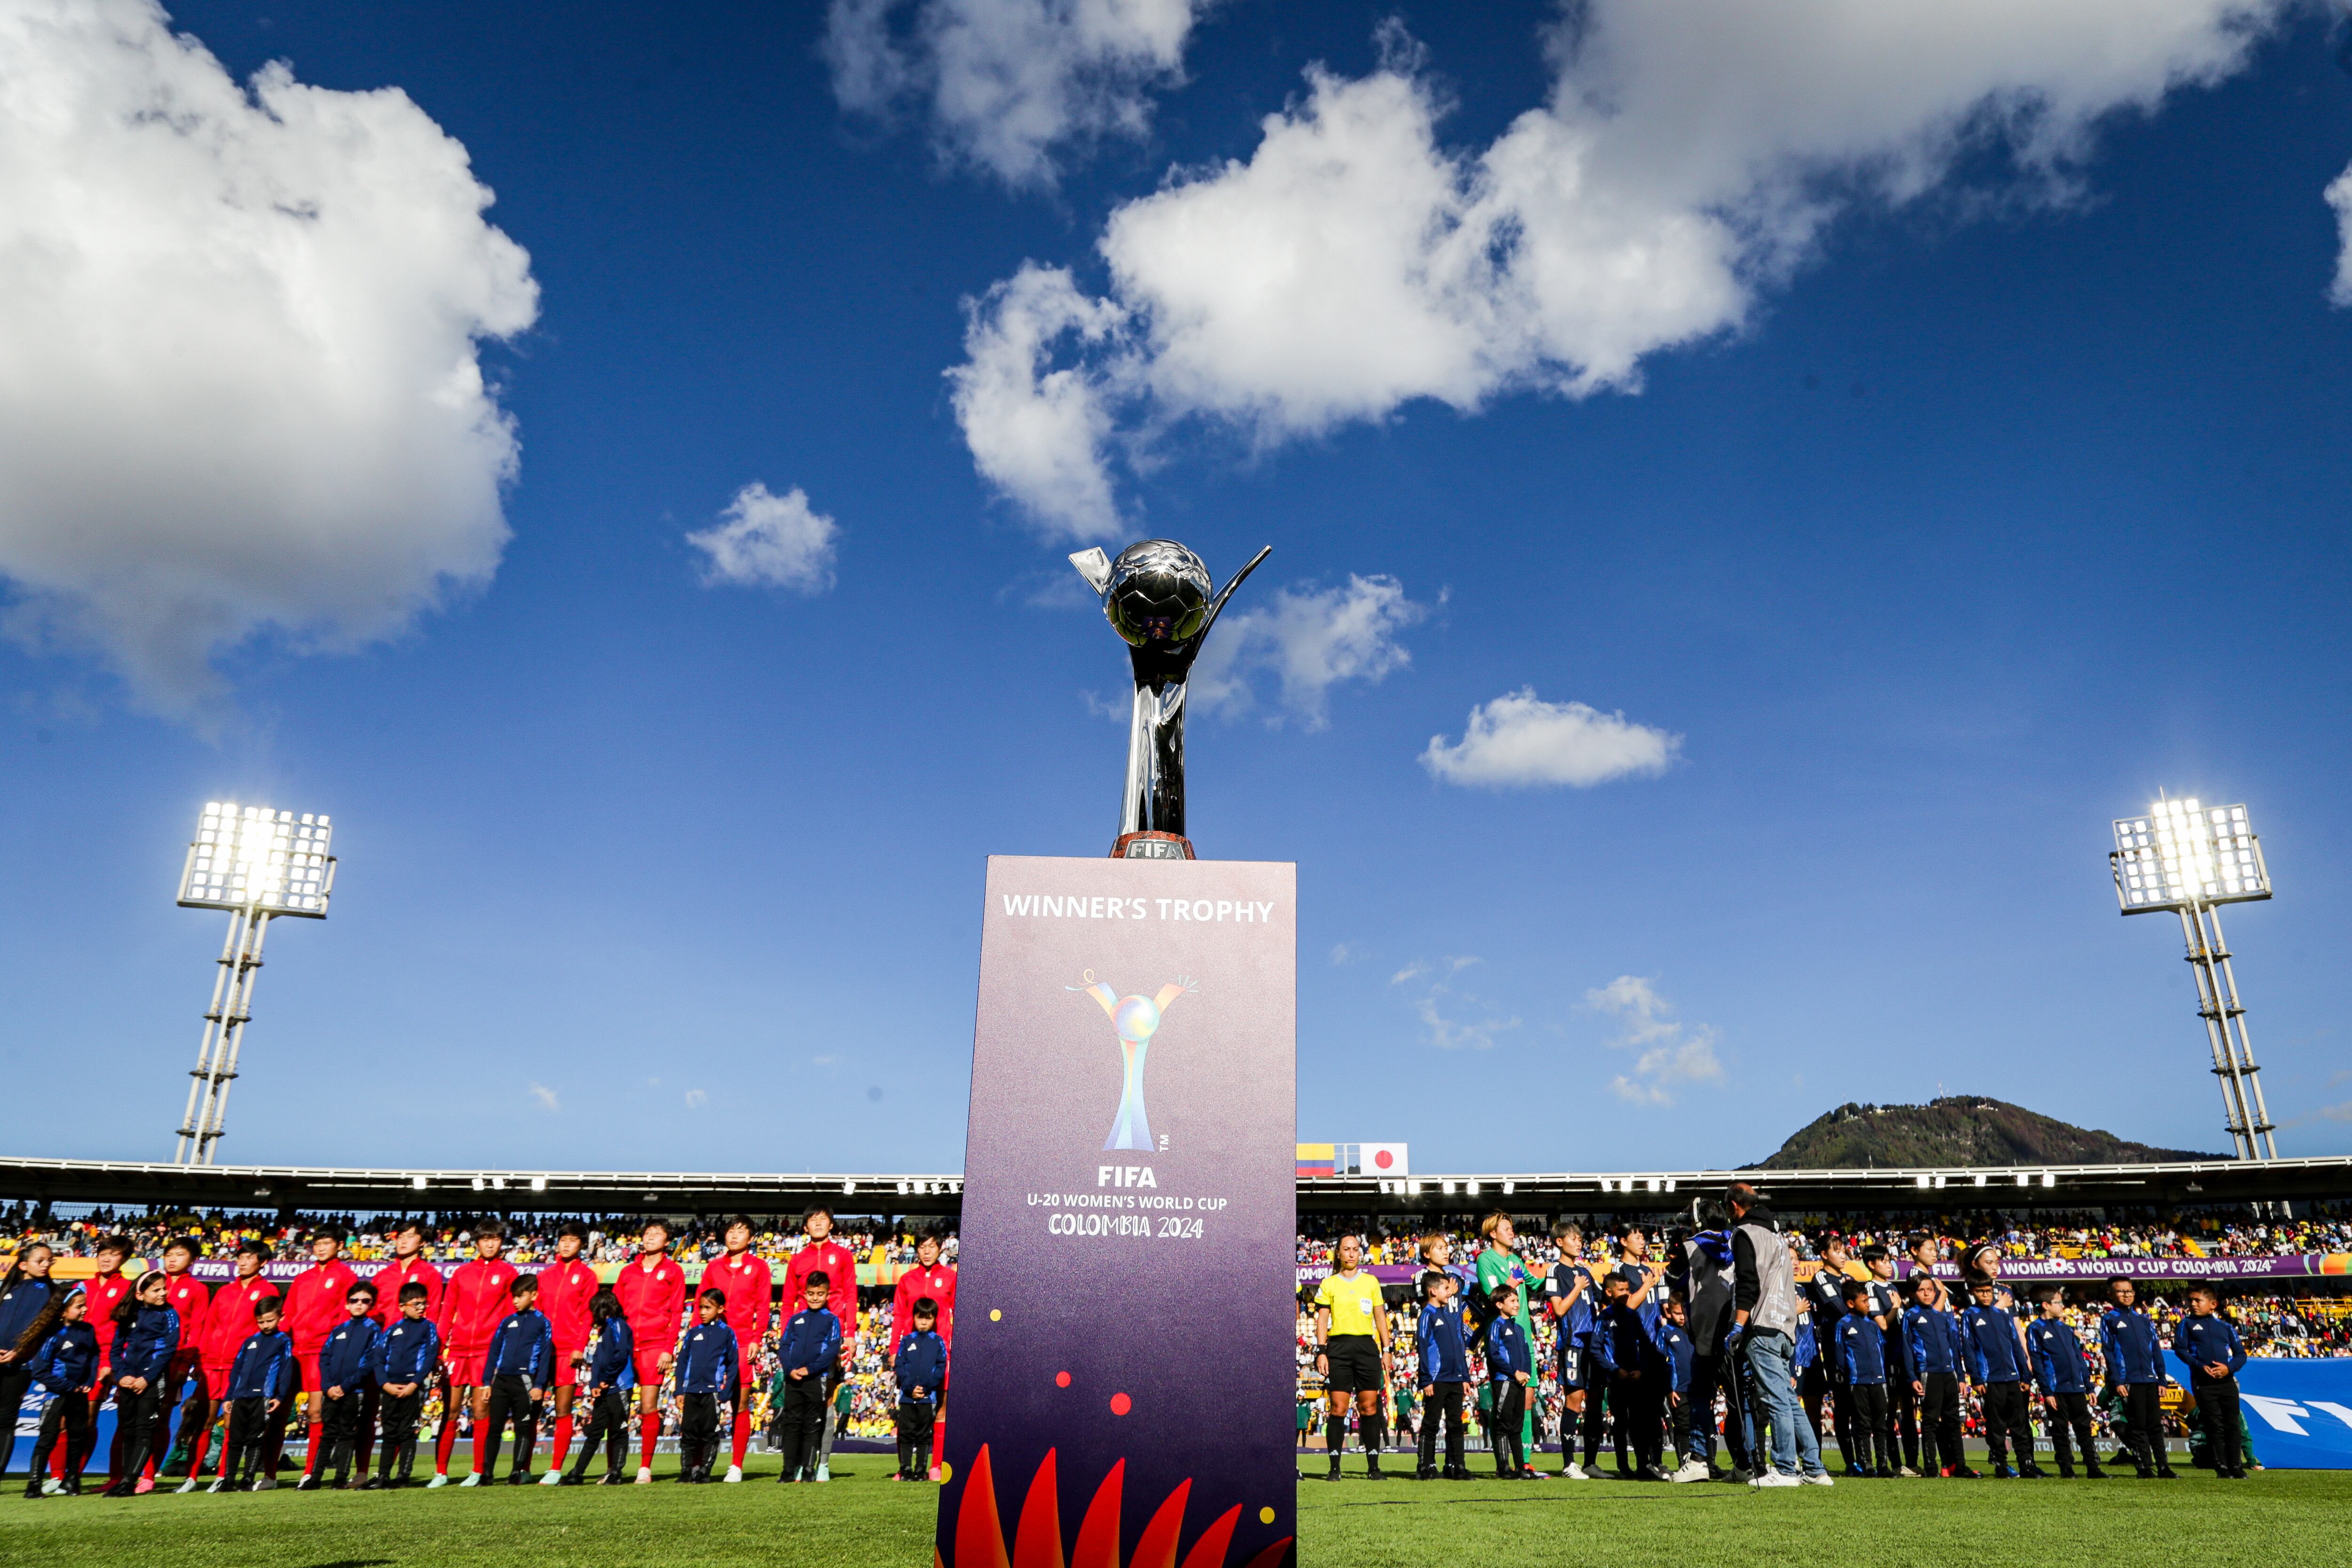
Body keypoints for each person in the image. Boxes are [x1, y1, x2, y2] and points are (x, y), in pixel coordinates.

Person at [1727, 1183, 1830, 1488]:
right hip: (1786, 1327)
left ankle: (1785, 1468)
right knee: (1787, 1399)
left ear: (1734, 1207)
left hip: (1762, 1327)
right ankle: (1814, 1467)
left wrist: (1737, 1325)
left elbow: (1748, 1283)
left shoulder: (1744, 1233)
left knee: (1776, 1400)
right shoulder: (1777, 1238)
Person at [182, 1239, 276, 1491]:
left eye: (249, 1258)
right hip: (212, 1363)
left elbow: (266, 1332)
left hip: (241, 1368)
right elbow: (209, 1326)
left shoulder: (269, 1291)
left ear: (262, 1263)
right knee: (204, 1421)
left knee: (231, 1425)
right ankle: (191, 1477)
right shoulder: (224, 1292)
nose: (243, 1262)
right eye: (240, 1257)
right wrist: (199, 1359)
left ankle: (224, 1476)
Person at [431, 1220, 519, 1487]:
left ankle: (478, 1471)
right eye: (485, 1239)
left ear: (501, 1242)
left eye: (495, 1239)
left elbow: (509, 1317)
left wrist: (503, 1352)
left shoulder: (508, 1273)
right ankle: (441, 1473)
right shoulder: (461, 1274)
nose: (490, 1244)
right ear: (477, 1243)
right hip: (457, 1350)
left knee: (481, 1411)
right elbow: (447, 1313)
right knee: (450, 1411)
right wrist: (438, 1348)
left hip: (486, 1352)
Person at [781, 1206, 858, 1483]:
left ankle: (822, 1462)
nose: (817, 1223)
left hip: (831, 1338)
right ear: (805, 1227)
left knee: (825, 1401)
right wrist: (785, 1338)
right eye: (812, 1219)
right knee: (801, 1403)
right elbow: (788, 1302)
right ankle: (803, 1464)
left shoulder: (843, 1256)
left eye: (822, 1218)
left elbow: (850, 1294)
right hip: (802, 1340)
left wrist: (850, 1333)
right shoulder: (796, 1261)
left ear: (831, 1224)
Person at [280, 1228, 360, 1487]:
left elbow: (342, 1318)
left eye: (327, 1243)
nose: (322, 1248)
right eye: (318, 1244)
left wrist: (333, 1349)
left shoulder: (346, 1276)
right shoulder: (303, 1278)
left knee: (316, 1414)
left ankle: (310, 1473)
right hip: (293, 1351)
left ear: (339, 1245)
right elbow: (289, 1314)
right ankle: (269, 1476)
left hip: (319, 1351)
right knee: (280, 1411)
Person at [365, 1219, 444, 1478]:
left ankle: (400, 1474)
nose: (402, 1240)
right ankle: (370, 1473)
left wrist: (431, 1358)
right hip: (382, 1356)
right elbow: (373, 1315)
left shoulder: (430, 1275)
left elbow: (433, 1316)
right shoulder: (382, 1275)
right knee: (377, 1416)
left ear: (422, 1243)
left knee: (405, 1420)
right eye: (400, 1236)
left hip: (411, 1359)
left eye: (410, 1236)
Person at [1671, 1204, 1746, 1480]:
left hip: (1704, 1332)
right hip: (1734, 1329)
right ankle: (1747, 1461)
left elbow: (1673, 1279)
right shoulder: (1736, 1241)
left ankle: (1700, 1458)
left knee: (1701, 1396)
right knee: (1740, 1400)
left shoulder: (1691, 1246)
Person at [1311, 1232, 1391, 1480]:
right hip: (1338, 1349)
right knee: (1338, 1408)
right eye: (1347, 1249)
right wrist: (1321, 1351)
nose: (1352, 1253)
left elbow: (1380, 1318)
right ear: (1339, 1253)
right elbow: (1323, 1320)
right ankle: (1335, 1468)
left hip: (1367, 1349)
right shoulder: (1329, 1284)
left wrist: (1387, 1350)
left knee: (1369, 1408)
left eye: (1355, 1249)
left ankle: (1373, 1468)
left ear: (1361, 1252)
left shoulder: (1371, 1282)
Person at [614, 1218, 685, 1485]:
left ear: (667, 1241)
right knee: (616, 1409)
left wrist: (669, 1349)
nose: (650, 1237)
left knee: (648, 1406)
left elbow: (677, 1312)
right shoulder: (627, 1272)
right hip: (625, 1346)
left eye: (657, 1234)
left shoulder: (673, 1271)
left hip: (655, 1346)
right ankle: (614, 1468)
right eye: (647, 1233)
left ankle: (645, 1467)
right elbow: (616, 1312)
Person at [701, 1215, 772, 1483]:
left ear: (751, 1238)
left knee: (740, 1403)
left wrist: (756, 1337)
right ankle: (700, 1463)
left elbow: (763, 1306)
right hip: (714, 1342)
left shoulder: (759, 1268)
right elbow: (702, 1305)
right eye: (731, 1231)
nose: (734, 1236)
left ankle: (736, 1465)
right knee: (708, 1403)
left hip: (743, 1341)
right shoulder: (713, 1268)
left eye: (741, 1232)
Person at [100, 1270, 181, 1496]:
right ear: (139, 1295)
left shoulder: (169, 1314)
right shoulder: (129, 1315)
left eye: (164, 1288)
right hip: (127, 1382)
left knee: (145, 1431)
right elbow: (116, 1351)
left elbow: (168, 1350)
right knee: (129, 1430)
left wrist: (147, 1378)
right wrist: (122, 1375)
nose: (163, 1293)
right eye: (156, 1290)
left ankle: (129, 1481)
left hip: (152, 1382)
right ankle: (124, 1480)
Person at [535, 1220, 602, 1485]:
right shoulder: (544, 1276)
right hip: (541, 1352)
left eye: (572, 1240)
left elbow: (587, 1315)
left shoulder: (587, 1276)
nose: (566, 1244)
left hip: (567, 1351)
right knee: (532, 1408)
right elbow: (537, 1315)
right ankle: (523, 1467)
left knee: (563, 1410)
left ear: (582, 1245)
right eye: (563, 1239)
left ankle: (555, 1468)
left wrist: (579, 1345)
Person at [890, 1228, 957, 1479]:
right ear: (916, 1250)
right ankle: (904, 1467)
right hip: (911, 1353)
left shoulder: (951, 1278)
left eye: (932, 1246)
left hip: (942, 1352)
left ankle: (936, 1465)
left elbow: (958, 1313)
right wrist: (894, 1349)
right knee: (908, 1410)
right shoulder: (907, 1280)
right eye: (922, 1247)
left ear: (940, 1248)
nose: (927, 1251)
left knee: (941, 1409)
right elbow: (898, 1316)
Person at [1474, 1213, 1538, 1470]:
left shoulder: (1516, 1260)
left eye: (1513, 1229)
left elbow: (1537, 1282)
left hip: (1524, 1335)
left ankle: (1525, 1463)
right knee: (1505, 1403)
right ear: (1493, 1234)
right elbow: (1493, 1295)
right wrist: (1511, 1282)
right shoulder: (1485, 1260)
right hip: (1501, 1337)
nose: (1513, 1233)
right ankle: (1503, 1462)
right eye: (1507, 1229)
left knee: (1527, 1399)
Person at [476, 1274, 554, 1485]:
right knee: (494, 1427)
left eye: (520, 1296)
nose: (515, 1301)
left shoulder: (543, 1323)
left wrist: (539, 1385)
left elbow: (545, 1355)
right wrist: (486, 1382)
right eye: (514, 1297)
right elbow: (494, 1352)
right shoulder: (507, 1322)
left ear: (534, 1295)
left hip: (525, 1381)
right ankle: (487, 1474)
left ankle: (516, 1472)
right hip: (501, 1380)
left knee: (523, 1428)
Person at [303, 1283, 381, 1490]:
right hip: (331, 1392)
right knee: (327, 1433)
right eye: (355, 1300)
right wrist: (328, 1386)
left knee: (347, 1434)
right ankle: (315, 1478)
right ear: (347, 1305)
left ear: (372, 1305)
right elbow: (325, 1358)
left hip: (353, 1391)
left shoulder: (373, 1330)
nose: (359, 1305)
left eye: (365, 1301)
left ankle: (340, 1478)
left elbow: (368, 1362)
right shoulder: (339, 1330)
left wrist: (345, 1386)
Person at [1958, 1278, 2040, 1478]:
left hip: (2012, 1377)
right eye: (1981, 1291)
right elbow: (1968, 1348)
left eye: (1989, 1291)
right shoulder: (1970, 1315)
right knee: (1996, 1425)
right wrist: (1976, 1379)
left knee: (2020, 1424)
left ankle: (2026, 1464)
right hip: (1990, 1379)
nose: (1985, 1295)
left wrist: (2025, 1375)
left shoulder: (2002, 1315)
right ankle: (2001, 1464)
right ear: (1973, 1292)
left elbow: (2016, 1346)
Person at [146, 1235, 210, 1487]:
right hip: (143, 1360)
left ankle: (149, 1476)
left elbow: (197, 1328)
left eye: (180, 1255)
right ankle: (123, 1476)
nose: (172, 1259)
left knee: (160, 1419)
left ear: (193, 1260)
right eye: (169, 1254)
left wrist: (186, 1364)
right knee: (135, 1419)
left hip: (173, 1361)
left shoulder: (197, 1289)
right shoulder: (151, 1283)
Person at [212, 1296, 294, 1492]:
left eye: (269, 1321)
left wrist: (280, 1396)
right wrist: (229, 1397)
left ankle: (248, 1479)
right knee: (234, 1439)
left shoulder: (283, 1341)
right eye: (261, 1322)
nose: (265, 1325)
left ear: (280, 1317)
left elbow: (286, 1369)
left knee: (255, 1439)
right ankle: (229, 1479)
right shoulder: (250, 1342)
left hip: (263, 1397)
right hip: (240, 1396)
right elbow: (237, 1370)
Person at [22, 1289, 96, 1497]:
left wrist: (89, 1381)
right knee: (48, 1438)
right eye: (79, 1306)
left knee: (77, 1437)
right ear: (63, 1311)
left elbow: (94, 1357)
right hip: (56, 1395)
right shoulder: (52, 1336)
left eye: (85, 1304)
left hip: (80, 1393)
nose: (85, 1309)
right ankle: (34, 1486)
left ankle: (72, 1481)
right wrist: (67, 1386)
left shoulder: (88, 1330)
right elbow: (39, 1371)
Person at [2024, 1284, 2104, 1479]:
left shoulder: (2067, 1329)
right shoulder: (2036, 1329)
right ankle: (2066, 1468)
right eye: (2058, 1303)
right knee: (2060, 1430)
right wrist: (2047, 1391)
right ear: (2045, 1305)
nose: (2062, 1307)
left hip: (2076, 1386)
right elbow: (2037, 1362)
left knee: (2084, 1428)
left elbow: (2079, 1358)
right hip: (2056, 1388)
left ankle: (2093, 1467)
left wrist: (2089, 1385)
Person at [2099, 1276, 2176, 1480]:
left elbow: (2156, 1351)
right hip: (2130, 1381)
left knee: (2155, 1426)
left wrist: (2161, 1379)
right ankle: (2144, 1468)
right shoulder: (2110, 1319)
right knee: (2138, 1426)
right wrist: (2118, 1381)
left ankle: (2164, 1468)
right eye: (2121, 1291)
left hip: (2150, 1380)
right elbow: (2109, 1352)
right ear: (2111, 1295)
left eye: (2129, 1291)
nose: (2126, 1295)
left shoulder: (2144, 1320)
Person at [1591, 1267, 1664, 1478]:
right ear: (1609, 1293)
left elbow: (1645, 1343)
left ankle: (1643, 1465)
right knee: (1621, 1424)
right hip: (1617, 1378)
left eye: (1628, 1290)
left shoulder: (1633, 1316)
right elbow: (1595, 1349)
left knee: (1639, 1423)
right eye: (1621, 1290)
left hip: (1636, 1376)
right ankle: (1623, 1467)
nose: (1626, 1294)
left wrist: (1641, 1369)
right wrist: (1615, 1370)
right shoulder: (1604, 1318)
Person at [559, 1287, 636, 1486]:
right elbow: (598, 1361)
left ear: (603, 1308)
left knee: (619, 1430)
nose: (592, 1315)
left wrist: (607, 1379)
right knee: (595, 1432)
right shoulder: (604, 1331)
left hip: (619, 1386)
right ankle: (577, 1473)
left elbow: (621, 1356)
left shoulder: (619, 1326)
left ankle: (616, 1473)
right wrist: (595, 1384)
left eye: (594, 1310)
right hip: (605, 1388)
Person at [2172, 1283, 2249, 1481]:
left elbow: (2241, 1354)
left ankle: (2237, 1466)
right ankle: (2222, 1467)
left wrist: (2228, 1369)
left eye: (2198, 1300)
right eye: (2191, 1301)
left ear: (2213, 1304)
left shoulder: (2225, 1327)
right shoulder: (2186, 1324)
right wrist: (2199, 1366)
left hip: (2227, 1381)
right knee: (2214, 1424)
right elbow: (2180, 1350)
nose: (2193, 1304)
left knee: (2233, 1423)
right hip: (2203, 1382)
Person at [774, 1271, 843, 1483]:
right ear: (804, 1294)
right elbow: (784, 1346)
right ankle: (788, 1471)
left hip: (816, 1379)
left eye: (820, 1294)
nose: (815, 1298)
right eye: (811, 1293)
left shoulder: (832, 1320)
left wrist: (810, 1369)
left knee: (812, 1425)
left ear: (827, 1295)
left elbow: (832, 1350)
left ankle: (808, 1470)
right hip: (793, 1379)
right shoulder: (796, 1320)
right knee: (792, 1424)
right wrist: (790, 1369)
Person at [1543, 1222, 1599, 1479]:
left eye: (1580, 1239)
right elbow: (1559, 1310)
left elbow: (1602, 1301)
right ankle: (1569, 1464)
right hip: (1573, 1342)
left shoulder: (1585, 1270)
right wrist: (1577, 1287)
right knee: (1574, 1400)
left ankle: (1591, 1463)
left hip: (1592, 1344)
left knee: (1595, 1402)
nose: (1579, 1243)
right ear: (1559, 1242)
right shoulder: (1555, 1271)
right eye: (1574, 1239)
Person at [1903, 1275, 1973, 1477]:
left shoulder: (1942, 1317)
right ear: (1914, 1294)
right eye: (1922, 1290)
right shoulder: (1911, 1317)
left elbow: (1954, 1347)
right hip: (1928, 1374)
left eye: (1930, 1290)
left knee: (1953, 1421)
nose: (1927, 1294)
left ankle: (1960, 1466)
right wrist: (1913, 1377)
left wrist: (1960, 1377)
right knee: (1931, 1421)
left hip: (1949, 1374)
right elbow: (1907, 1349)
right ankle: (1931, 1467)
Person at [0, 1241, 57, 1481]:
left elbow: (44, 1331)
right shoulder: (6, 1289)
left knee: (4, 1420)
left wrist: (20, 1351)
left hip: (20, 1366)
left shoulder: (52, 1293)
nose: (46, 1265)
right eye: (40, 1261)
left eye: (49, 1261)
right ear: (23, 1265)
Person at [673, 1287, 741, 1484]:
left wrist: (725, 1391)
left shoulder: (727, 1334)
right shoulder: (693, 1333)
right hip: (692, 1390)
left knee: (709, 1432)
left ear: (720, 1309)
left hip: (712, 1391)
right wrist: (679, 1390)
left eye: (707, 1308)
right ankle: (686, 1471)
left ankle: (705, 1471)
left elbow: (733, 1364)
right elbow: (683, 1362)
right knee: (689, 1432)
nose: (702, 1312)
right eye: (700, 1308)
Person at [1863, 1245, 1919, 1477]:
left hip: (1903, 1354)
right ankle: (1893, 1463)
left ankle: (1913, 1462)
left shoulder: (1894, 1287)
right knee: (1889, 1411)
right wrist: (1896, 1306)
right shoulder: (1871, 1288)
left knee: (1910, 1409)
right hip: (1887, 1357)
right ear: (1871, 1265)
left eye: (1890, 1261)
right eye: (1884, 1261)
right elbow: (1883, 1325)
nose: (1889, 1265)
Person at [1802, 1236, 1854, 1471]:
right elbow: (1841, 1309)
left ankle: (1868, 1461)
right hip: (1838, 1352)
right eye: (1837, 1251)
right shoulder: (1821, 1278)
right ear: (1824, 1255)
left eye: (1844, 1251)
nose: (1843, 1255)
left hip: (1858, 1349)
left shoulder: (1850, 1279)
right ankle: (1850, 1462)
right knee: (1842, 1406)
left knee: (1860, 1406)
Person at [1413, 1270, 1470, 1481]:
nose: (1450, 1292)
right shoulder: (1427, 1316)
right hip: (1437, 1380)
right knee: (1431, 1423)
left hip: (1455, 1378)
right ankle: (1425, 1466)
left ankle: (1458, 1466)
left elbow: (1459, 1346)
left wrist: (1464, 1376)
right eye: (1447, 1289)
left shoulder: (1449, 1315)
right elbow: (1423, 1348)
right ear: (1433, 1291)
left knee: (1456, 1423)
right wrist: (1427, 1379)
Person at [1835, 1279, 1894, 1477]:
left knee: (1881, 1425)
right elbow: (1839, 1353)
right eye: (1865, 1301)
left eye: (1869, 1301)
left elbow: (1881, 1350)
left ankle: (1883, 1465)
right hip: (1857, 1382)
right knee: (1862, 1425)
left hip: (1878, 1381)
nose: (1869, 1305)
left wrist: (1883, 1374)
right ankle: (1866, 1466)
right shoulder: (1843, 1325)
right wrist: (1844, 1374)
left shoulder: (1873, 1326)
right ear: (1851, 1303)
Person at [890, 1296, 946, 1482]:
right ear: (914, 1318)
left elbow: (940, 1368)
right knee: (906, 1434)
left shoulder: (938, 1342)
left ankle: (921, 1470)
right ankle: (905, 1469)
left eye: (928, 1318)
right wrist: (909, 1387)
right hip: (907, 1398)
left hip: (927, 1398)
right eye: (920, 1317)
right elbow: (900, 1365)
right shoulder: (907, 1341)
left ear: (934, 1319)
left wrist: (926, 1387)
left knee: (924, 1435)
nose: (923, 1322)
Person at [1484, 1283, 1536, 1480]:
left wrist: (1527, 1374)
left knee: (1517, 1426)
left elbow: (1526, 1354)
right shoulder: (1495, 1327)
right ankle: (1503, 1467)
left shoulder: (1519, 1328)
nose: (1517, 1304)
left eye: (1517, 1300)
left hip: (1520, 1382)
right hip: (1505, 1381)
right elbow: (1495, 1356)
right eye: (1512, 1301)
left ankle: (1521, 1467)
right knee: (1503, 1425)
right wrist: (1515, 1373)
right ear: (1499, 1304)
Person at [1648, 1292, 1700, 1482]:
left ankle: (1704, 1462)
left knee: (1702, 1425)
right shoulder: (1666, 1333)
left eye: (1684, 1313)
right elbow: (1661, 1363)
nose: (1682, 1317)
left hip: (1698, 1387)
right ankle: (1684, 1463)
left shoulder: (1694, 1331)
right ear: (1669, 1312)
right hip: (1678, 1390)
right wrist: (1669, 1390)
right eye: (1677, 1313)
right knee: (1683, 1427)